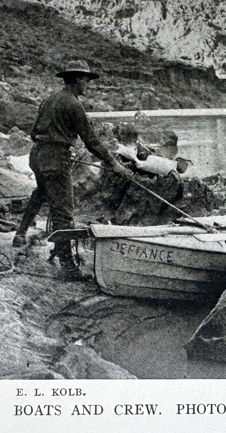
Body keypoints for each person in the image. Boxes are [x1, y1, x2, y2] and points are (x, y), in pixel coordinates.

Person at [12, 60, 134, 278]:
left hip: (37, 155)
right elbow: (92, 141)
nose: (88, 84)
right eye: (86, 80)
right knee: (64, 211)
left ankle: (20, 234)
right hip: (56, 159)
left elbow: (33, 132)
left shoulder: (49, 100)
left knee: (41, 193)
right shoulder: (74, 105)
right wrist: (114, 164)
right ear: (77, 79)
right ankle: (68, 266)